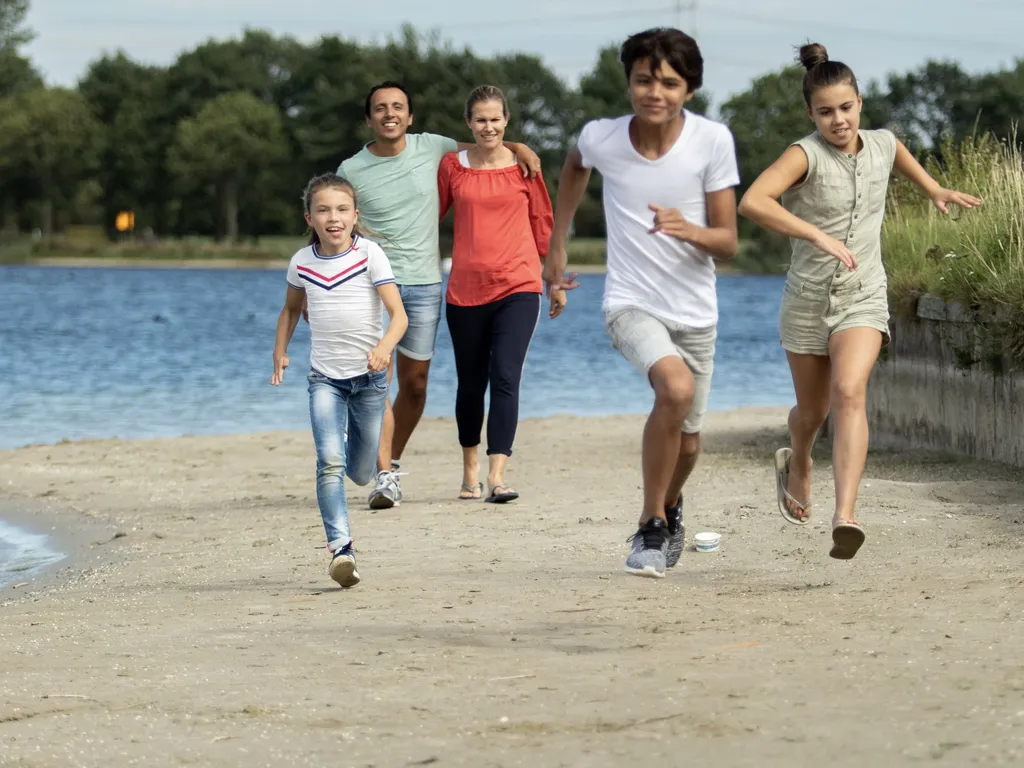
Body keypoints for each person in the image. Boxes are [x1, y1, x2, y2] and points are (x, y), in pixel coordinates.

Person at [737, 43, 981, 560]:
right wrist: (816, 235)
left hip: (863, 294)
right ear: (810, 113)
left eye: (845, 108)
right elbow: (753, 201)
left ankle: (844, 515)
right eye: (825, 111)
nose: (838, 120)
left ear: (859, 103)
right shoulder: (803, 155)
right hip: (806, 300)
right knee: (812, 410)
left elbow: (903, 161)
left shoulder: (884, 143)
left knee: (850, 391)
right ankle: (798, 458)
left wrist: (936, 190)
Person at [544, 28, 740, 578]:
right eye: (644, 79)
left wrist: (688, 230)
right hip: (630, 301)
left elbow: (728, 243)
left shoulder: (712, 141)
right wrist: (558, 242)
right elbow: (575, 166)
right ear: (629, 81)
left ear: (691, 89)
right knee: (673, 388)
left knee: (692, 443)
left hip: (697, 311)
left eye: (670, 83)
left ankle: (671, 505)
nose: (656, 92)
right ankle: (651, 525)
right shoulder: (602, 137)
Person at [335, 81, 543, 510]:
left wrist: (520, 146)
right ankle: (384, 474)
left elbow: (486, 145)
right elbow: (335, 222)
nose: (389, 114)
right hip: (373, 285)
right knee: (380, 380)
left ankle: (385, 456)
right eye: (380, 108)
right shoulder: (351, 170)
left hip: (427, 283)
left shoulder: (434, 149)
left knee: (416, 385)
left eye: (398, 107)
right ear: (369, 117)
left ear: (410, 117)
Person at [272, 173, 408, 588]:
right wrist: (280, 351)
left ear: (354, 215)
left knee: (362, 472)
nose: (334, 217)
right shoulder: (301, 262)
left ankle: (356, 459)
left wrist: (384, 348)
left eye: (342, 209)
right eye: (324, 210)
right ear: (309, 217)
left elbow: (400, 316)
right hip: (324, 380)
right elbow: (291, 311)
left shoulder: (370, 255)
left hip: (370, 380)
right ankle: (341, 549)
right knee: (328, 462)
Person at [437, 85, 563, 503]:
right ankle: (470, 470)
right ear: (468, 123)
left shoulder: (525, 168)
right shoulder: (452, 167)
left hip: (519, 287)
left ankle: (498, 475)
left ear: (505, 120)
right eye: (480, 119)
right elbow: (428, 215)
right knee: (471, 384)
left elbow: (543, 221)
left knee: (506, 377)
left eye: (495, 119)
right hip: (465, 292)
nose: (488, 126)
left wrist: (555, 279)